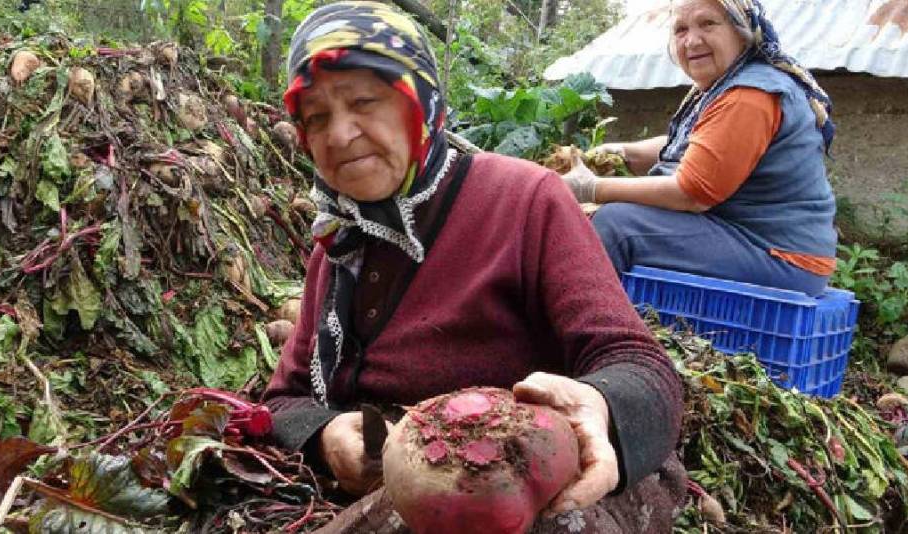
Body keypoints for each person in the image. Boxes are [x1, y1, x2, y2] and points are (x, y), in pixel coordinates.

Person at [262, 2, 685, 532]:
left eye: (363, 102)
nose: (339, 134)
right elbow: (284, 399)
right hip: (392, 487)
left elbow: (639, 366)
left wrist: (600, 405)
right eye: (317, 117)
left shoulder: (524, 199)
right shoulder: (340, 243)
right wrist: (326, 437)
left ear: (421, 101)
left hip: (519, 480)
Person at [563, 0, 838, 297]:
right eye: (680, 30)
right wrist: (622, 153)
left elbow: (692, 194)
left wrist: (592, 189)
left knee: (617, 225)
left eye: (708, 24)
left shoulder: (749, 96)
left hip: (778, 255)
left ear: (741, 32)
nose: (692, 41)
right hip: (749, 239)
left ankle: (581, 320)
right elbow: (702, 147)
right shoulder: (727, 84)